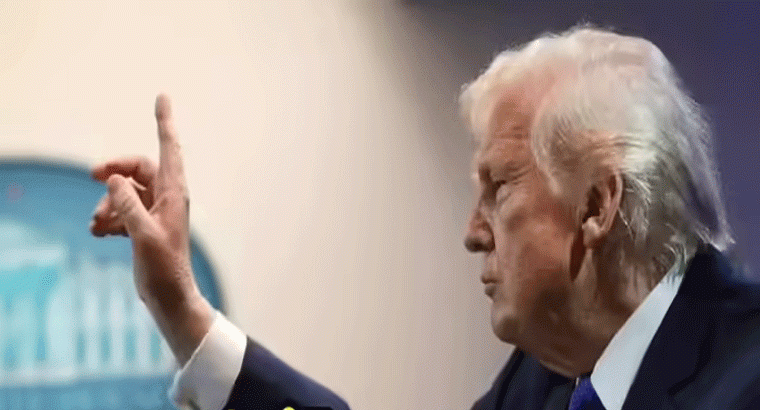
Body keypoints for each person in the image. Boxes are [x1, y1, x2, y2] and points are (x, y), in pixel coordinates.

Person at [90, 26, 760, 410]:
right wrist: (183, 312)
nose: (473, 233)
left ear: (596, 206)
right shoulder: (546, 379)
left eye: (498, 187)